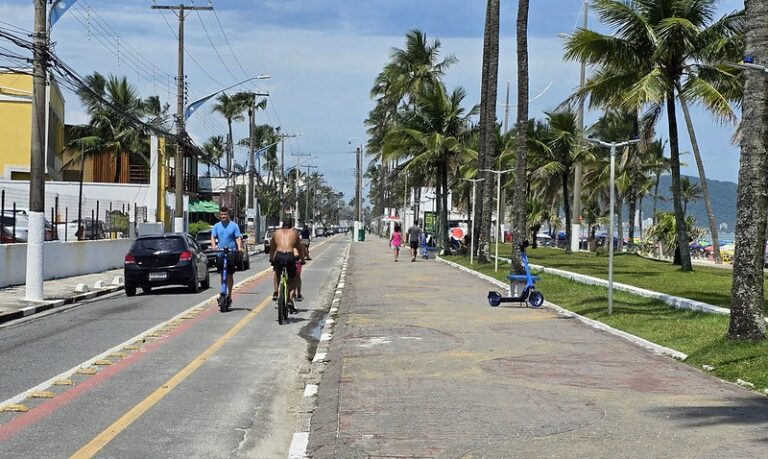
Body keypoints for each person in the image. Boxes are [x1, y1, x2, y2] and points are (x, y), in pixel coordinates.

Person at [270, 218, 304, 313]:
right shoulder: (294, 233)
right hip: (289, 256)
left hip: (279, 256)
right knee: (293, 279)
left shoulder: (276, 233)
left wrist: (271, 258)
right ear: (291, 226)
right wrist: (302, 259)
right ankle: (289, 299)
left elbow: (272, 248)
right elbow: (299, 248)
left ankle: (276, 292)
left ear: (282, 225)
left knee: (277, 272)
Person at [210, 206, 243, 306]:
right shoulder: (216, 226)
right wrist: (214, 246)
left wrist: (239, 247)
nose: (223, 216)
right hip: (220, 253)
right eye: (222, 215)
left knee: (229, 274)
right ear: (219, 215)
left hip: (231, 253)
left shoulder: (234, 226)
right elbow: (213, 236)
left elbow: (237, 238)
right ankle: (222, 291)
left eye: (225, 214)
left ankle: (229, 295)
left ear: (228, 215)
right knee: (222, 274)